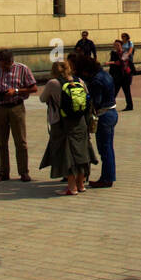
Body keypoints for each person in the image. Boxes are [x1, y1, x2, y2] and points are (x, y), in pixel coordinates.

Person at [40, 54, 96, 195]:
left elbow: (42, 98)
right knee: (82, 151)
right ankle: (81, 184)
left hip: (62, 122)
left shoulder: (53, 83)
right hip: (80, 121)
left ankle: (71, 187)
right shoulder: (80, 81)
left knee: (67, 153)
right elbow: (87, 98)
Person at [0, 48, 37, 183]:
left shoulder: (22, 69)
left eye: (6, 65)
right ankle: (3, 172)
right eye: (2, 65)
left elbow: (34, 88)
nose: (4, 68)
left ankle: (24, 172)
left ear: (11, 61)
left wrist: (17, 91)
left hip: (16, 107)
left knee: (21, 141)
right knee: (1, 142)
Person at [83, 54, 118, 188]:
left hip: (104, 115)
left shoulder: (96, 80)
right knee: (108, 147)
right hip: (112, 112)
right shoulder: (105, 75)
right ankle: (108, 176)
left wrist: (86, 99)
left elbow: (96, 102)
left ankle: (107, 178)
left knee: (105, 148)